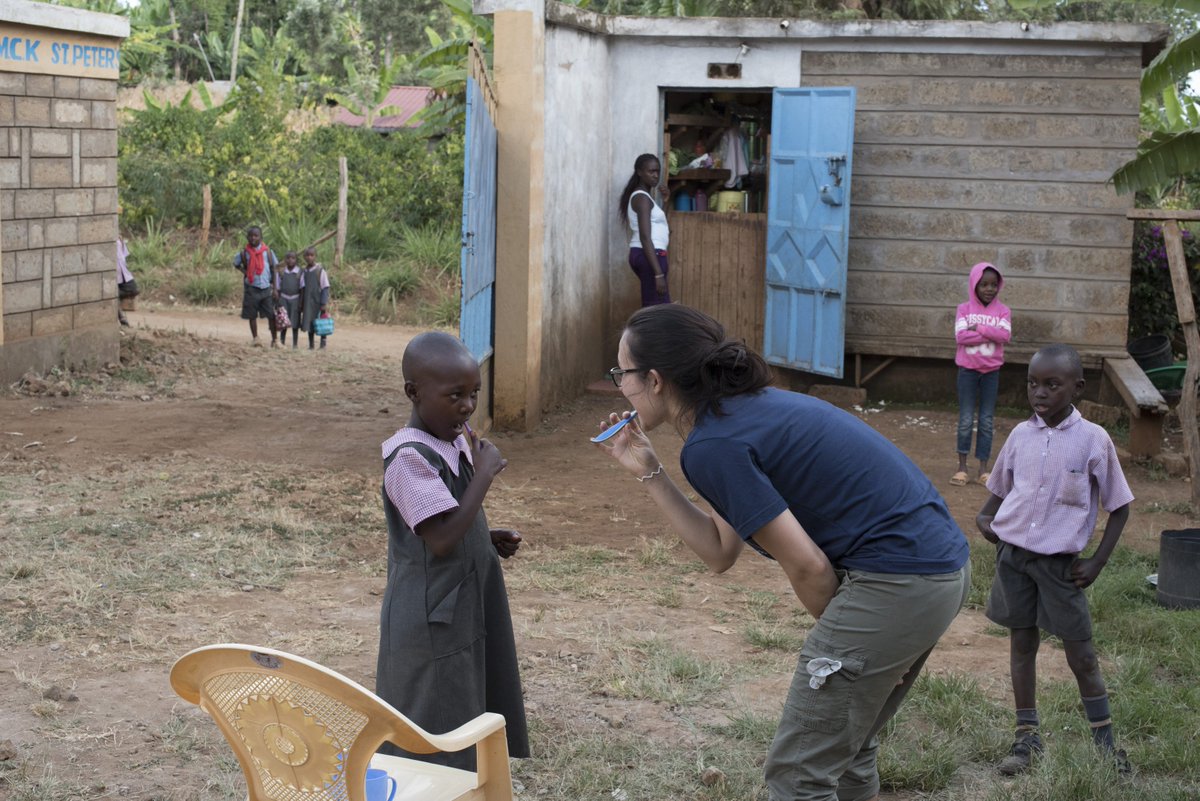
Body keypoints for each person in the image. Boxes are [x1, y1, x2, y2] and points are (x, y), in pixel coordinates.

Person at [594, 304, 970, 801]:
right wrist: (649, 470)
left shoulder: (716, 443)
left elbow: (809, 567)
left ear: (657, 380)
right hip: (938, 572)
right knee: (847, 749)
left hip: (899, 579)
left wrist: (850, 648)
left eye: (623, 373)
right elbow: (719, 550)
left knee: (797, 776)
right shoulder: (738, 417)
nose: (620, 385)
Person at [976, 343, 1133, 776]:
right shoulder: (1020, 436)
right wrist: (985, 516)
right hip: (1014, 561)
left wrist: (1097, 562)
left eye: (1052, 384)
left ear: (1077, 387)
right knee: (1022, 644)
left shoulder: (1093, 441)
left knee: (1081, 656)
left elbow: (1120, 506)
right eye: (1032, 383)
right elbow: (999, 489)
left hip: (1060, 567)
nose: (1039, 393)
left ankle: (1106, 746)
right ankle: (1026, 738)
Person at [376, 331, 529, 771]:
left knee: (464, 703)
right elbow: (440, 538)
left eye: (474, 394)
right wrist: (483, 476)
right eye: (454, 396)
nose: (466, 407)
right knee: (431, 722)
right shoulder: (407, 457)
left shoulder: (452, 440)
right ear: (413, 393)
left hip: (461, 603)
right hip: (430, 619)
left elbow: (450, 517)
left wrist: (484, 535)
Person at [952, 261, 1011, 487]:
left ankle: (984, 469)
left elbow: (1005, 336)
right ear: (974, 285)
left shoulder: (1003, 311)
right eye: (984, 284)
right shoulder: (964, 309)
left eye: (993, 285)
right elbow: (961, 337)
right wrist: (992, 334)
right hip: (967, 371)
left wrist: (979, 329)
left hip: (991, 373)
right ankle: (962, 467)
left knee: (986, 420)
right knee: (966, 419)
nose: (989, 289)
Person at [618, 153, 671, 306]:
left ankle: (648, 330)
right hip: (649, 254)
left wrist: (666, 202)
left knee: (657, 306)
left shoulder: (645, 197)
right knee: (656, 309)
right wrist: (658, 274)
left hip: (647, 254)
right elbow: (645, 237)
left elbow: (659, 224)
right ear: (639, 172)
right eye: (651, 171)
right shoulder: (641, 198)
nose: (656, 175)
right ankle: (643, 331)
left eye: (657, 171)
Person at [231, 226, 279, 347]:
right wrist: (246, 272)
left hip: (266, 288)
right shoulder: (244, 253)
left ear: (261, 237)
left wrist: (275, 288)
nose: (253, 238)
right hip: (251, 288)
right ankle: (256, 338)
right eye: (251, 235)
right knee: (252, 315)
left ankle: (275, 340)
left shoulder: (268, 252)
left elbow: (275, 269)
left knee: (271, 315)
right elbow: (236, 264)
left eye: (256, 235)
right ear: (247, 237)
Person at [300, 247, 330, 350]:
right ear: (304, 257)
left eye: (311, 255)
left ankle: (323, 344)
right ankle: (311, 345)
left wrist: (323, 303)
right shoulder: (304, 271)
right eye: (307, 255)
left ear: (315, 256)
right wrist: (302, 302)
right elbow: (303, 288)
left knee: (322, 322)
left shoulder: (319, 270)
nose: (309, 257)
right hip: (308, 302)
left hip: (318, 301)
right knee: (310, 322)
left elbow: (325, 287)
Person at [274, 251, 303, 349]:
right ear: (285, 260)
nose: (290, 260)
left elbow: (302, 288)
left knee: (295, 322)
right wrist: (278, 300)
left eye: (293, 258)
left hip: (295, 299)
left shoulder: (299, 272)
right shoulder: (281, 272)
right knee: (283, 321)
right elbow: (277, 287)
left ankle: (295, 344)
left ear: (296, 260)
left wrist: (300, 302)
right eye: (288, 258)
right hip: (284, 299)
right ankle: (282, 342)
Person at [116, 233, 138, 327]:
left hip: (122, 272)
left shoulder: (119, 238)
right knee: (114, 295)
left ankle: (114, 303)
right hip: (114, 273)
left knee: (133, 290)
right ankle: (121, 318)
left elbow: (123, 256)